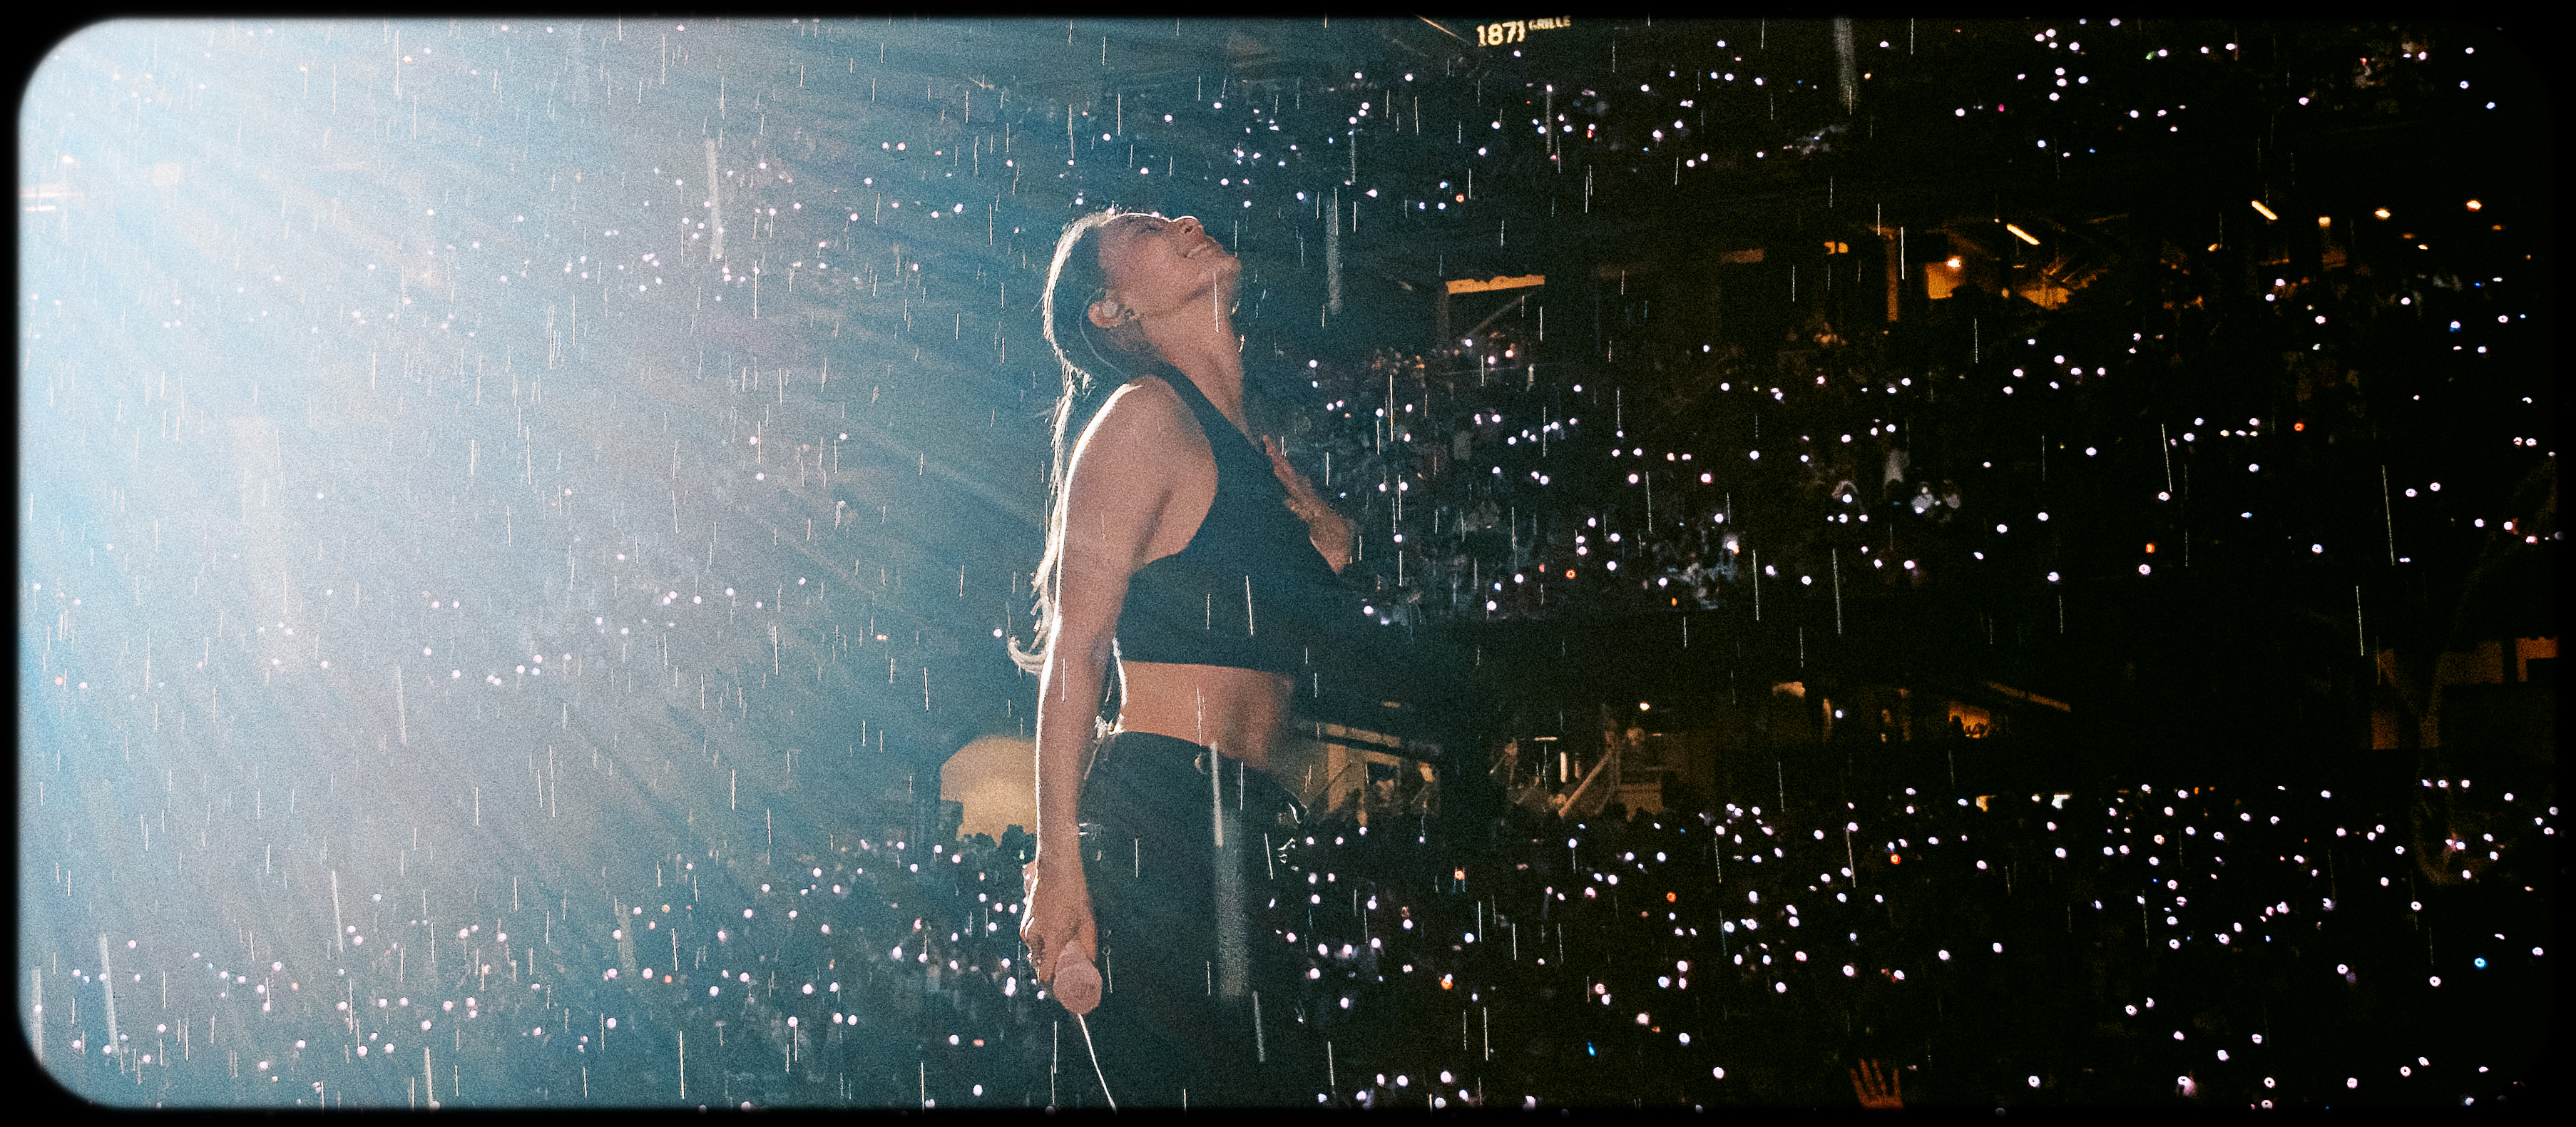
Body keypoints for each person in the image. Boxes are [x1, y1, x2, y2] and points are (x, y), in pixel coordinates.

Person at [1009, 209, 1354, 1106]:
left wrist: (1329, 553)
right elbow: (1076, 647)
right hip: (1162, 814)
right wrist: (1058, 860)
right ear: (1112, 310)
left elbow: (1255, 634)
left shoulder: (1253, 448)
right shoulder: (1143, 417)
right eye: (1148, 228)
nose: (1187, 222)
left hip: (1251, 821)